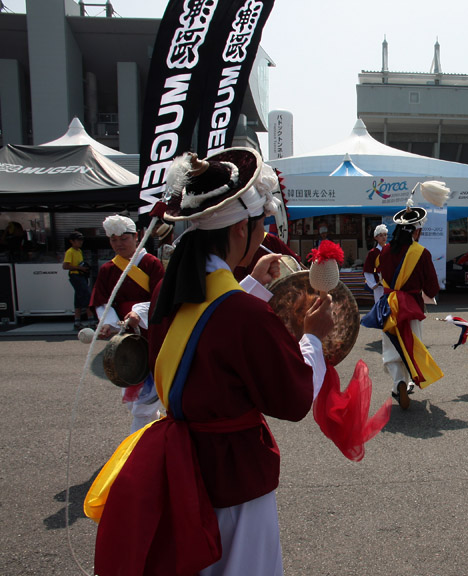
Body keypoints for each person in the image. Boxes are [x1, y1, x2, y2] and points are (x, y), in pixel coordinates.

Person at [86, 148, 333, 576]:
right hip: (233, 475)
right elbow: (293, 400)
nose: (262, 233)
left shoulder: (170, 291)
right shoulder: (243, 316)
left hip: (181, 468)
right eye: (261, 225)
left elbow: (211, 335)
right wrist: (312, 337)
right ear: (241, 227)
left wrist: (252, 282)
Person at [90, 214, 165, 433]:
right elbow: (103, 300)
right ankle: (153, 429)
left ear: (137, 237)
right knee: (134, 388)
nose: (119, 244)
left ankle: (138, 443)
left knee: (145, 398)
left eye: (124, 238)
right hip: (125, 334)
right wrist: (110, 324)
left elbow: (160, 298)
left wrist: (138, 313)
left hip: (150, 330)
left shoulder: (151, 263)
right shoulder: (107, 269)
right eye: (114, 240)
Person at [370, 202, 442, 411]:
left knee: (392, 346)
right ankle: (409, 379)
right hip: (411, 306)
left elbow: (382, 276)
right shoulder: (422, 253)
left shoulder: (384, 252)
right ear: (417, 230)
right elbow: (433, 287)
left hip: (389, 306)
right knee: (411, 344)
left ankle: (398, 382)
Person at [62, 231, 94, 330]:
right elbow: (65, 266)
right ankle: (91, 321)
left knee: (78, 299)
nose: (80, 242)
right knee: (87, 297)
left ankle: (77, 322)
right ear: (72, 241)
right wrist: (80, 268)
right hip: (76, 276)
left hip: (81, 276)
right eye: (78, 240)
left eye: (81, 240)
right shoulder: (70, 251)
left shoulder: (79, 251)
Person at [364, 224, 388, 303]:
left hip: (389, 282)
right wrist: (373, 283)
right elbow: (368, 269)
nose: (384, 237)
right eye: (381, 235)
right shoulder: (373, 253)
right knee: (379, 304)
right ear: (376, 238)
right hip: (379, 283)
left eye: (385, 235)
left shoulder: (390, 250)